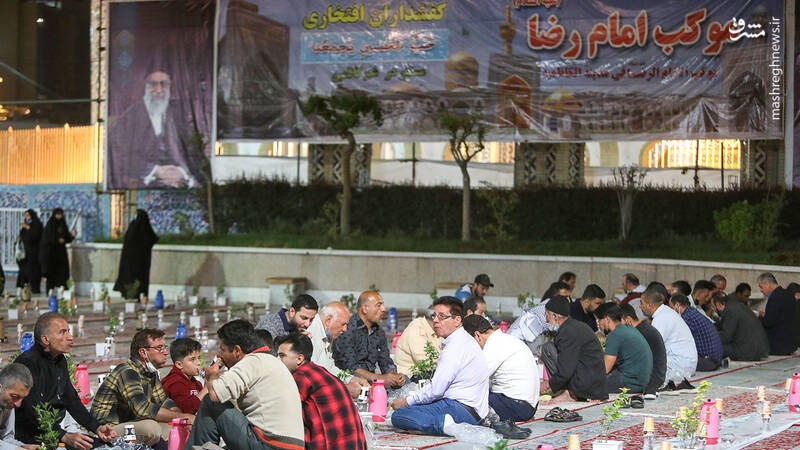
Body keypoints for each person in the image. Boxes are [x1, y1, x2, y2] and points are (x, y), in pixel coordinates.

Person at [184, 320, 304, 450]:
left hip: (269, 444)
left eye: (223, 350)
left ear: (237, 350)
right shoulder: (270, 360)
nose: (220, 355)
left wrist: (212, 377)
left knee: (210, 401)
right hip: (287, 445)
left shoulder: (252, 362)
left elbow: (215, 394)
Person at [15, 313, 116, 449]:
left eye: (68, 331)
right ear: (45, 339)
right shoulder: (27, 363)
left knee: (108, 446)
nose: (70, 337)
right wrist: (64, 436)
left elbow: (71, 399)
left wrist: (96, 427)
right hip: (31, 438)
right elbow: (32, 410)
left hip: (56, 432)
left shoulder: (60, 360)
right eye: (63, 332)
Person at [391, 297, 489, 436]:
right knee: (419, 407)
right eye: (434, 316)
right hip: (472, 411)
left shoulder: (455, 346)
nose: (436, 321)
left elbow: (436, 390)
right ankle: (444, 423)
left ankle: (444, 425)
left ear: (457, 320)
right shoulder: (464, 340)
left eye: (442, 316)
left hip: (461, 409)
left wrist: (406, 401)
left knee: (400, 415)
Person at [90, 329, 194, 446]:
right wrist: (184, 417)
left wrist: (182, 421)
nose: (165, 352)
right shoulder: (128, 372)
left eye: (165, 347)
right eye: (159, 348)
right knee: (151, 428)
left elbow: (164, 402)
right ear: (143, 352)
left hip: (130, 423)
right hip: (106, 430)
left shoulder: (150, 373)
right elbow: (142, 408)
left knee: (175, 428)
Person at [109, 70, 199, 189]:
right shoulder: (128, 118)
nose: (159, 90)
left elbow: (194, 152)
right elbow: (119, 155)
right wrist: (156, 170)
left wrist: (181, 172)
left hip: (179, 185)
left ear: (170, 87)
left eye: (164, 84)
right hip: (140, 187)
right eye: (153, 84)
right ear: (145, 87)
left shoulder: (180, 115)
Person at [275, 333, 366, 450]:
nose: (277, 360)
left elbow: (280, 410)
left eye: (282, 356)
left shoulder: (301, 377)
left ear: (299, 359)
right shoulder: (319, 371)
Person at [462, 314, 538, 424]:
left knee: (463, 402)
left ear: (477, 336)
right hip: (526, 405)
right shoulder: (504, 339)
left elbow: (472, 380)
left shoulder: (493, 345)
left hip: (517, 406)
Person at [540, 295, 608, 401]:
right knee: (549, 347)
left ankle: (569, 393)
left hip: (587, 387)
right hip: (592, 381)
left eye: (547, 316)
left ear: (555, 317)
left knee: (547, 349)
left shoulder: (567, 333)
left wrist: (548, 384)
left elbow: (565, 370)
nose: (546, 320)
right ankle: (565, 390)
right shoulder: (574, 326)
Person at [332, 291, 405, 388]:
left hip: (373, 383)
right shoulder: (347, 329)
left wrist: (394, 376)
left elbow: (386, 362)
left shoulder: (378, 331)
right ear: (365, 308)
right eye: (378, 305)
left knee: (407, 383)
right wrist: (381, 378)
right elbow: (349, 368)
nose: (383, 309)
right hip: (349, 384)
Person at [639, 287, 697, 391]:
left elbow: (651, 348)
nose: (640, 306)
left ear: (649, 305)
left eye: (641, 303)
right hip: (684, 362)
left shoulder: (661, 318)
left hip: (680, 364)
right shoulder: (665, 313)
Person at [305, 302, 369, 397]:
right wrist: (344, 388)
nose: (345, 329)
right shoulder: (311, 334)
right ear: (328, 320)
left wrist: (351, 379)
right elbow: (312, 377)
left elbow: (329, 367)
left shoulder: (326, 332)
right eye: (343, 324)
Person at [594, 303, 652, 397]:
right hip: (643, 381)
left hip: (630, 382)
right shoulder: (629, 329)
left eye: (599, 320)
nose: (598, 324)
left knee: (590, 385)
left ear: (607, 319)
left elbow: (605, 369)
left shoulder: (615, 335)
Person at [619, 304, 666, 399]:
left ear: (628, 320)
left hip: (650, 379)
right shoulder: (644, 328)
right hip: (657, 376)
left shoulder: (638, 334)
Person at [668, 294, 723, 371]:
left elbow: (679, 341)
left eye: (671, 308)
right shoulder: (692, 312)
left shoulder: (686, 318)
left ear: (677, 305)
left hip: (708, 361)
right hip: (715, 359)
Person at [710, 291, 769, 361]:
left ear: (718, 304)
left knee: (713, 347)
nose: (714, 310)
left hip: (748, 352)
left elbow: (726, 336)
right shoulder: (737, 306)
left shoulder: (730, 311)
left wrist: (710, 337)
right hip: (758, 349)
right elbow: (721, 324)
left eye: (713, 307)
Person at [113, 209, 158, 299]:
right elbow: (153, 239)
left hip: (131, 262)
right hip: (142, 263)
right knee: (139, 281)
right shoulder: (143, 228)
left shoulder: (134, 227)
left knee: (132, 279)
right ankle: (140, 296)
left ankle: (131, 295)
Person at [394, 306, 444, 380]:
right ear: (435, 318)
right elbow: (427, 364)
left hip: (428, 373)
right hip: (409, 377)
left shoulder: (438, 329)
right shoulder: (416, 329)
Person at [756, 272, 799, 355]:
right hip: (791, 345)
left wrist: (758, 316)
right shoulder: (789, 295)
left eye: (761, 287)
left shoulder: (775, 297)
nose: (761, 290)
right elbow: (782, 317)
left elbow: (768, 322)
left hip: (778, 346)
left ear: (767, 284)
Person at [161, 338, 207, 415]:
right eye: (192, 359)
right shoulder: (174, 383)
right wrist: (206, 389)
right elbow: (187, 409)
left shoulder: (195, 382)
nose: (198, 363)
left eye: (198, 358)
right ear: (179, 364)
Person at [0, 363, 38, 450]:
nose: (18, 404)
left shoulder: (9, 404)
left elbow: (6, 437)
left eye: (22, 398)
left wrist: (24, 446)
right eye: (15, 396)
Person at [39, 208, 75, 293]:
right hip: (51, 253)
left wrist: (71, 236)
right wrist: (57, 240)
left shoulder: (63, 225)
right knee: (51, 272)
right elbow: (48, 238)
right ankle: (50, 290)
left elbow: (66, 237)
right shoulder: (50, 225)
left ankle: (62, 290)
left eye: (60, 214)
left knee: (62, 272)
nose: (59, 216)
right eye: (57, 214)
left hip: (61, 252)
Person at [16, 209, 43, 294]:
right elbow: (22, 235)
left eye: (28, 215)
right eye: (25, 216)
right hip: (25, 252)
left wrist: (28, 227)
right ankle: (22, 287)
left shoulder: (37, 225)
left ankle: (34, 288)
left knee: (33, 270)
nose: (27, 217)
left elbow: (36, 235)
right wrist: (19, 238)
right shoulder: (25, 225)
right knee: (24, 270)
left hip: (34, 252)